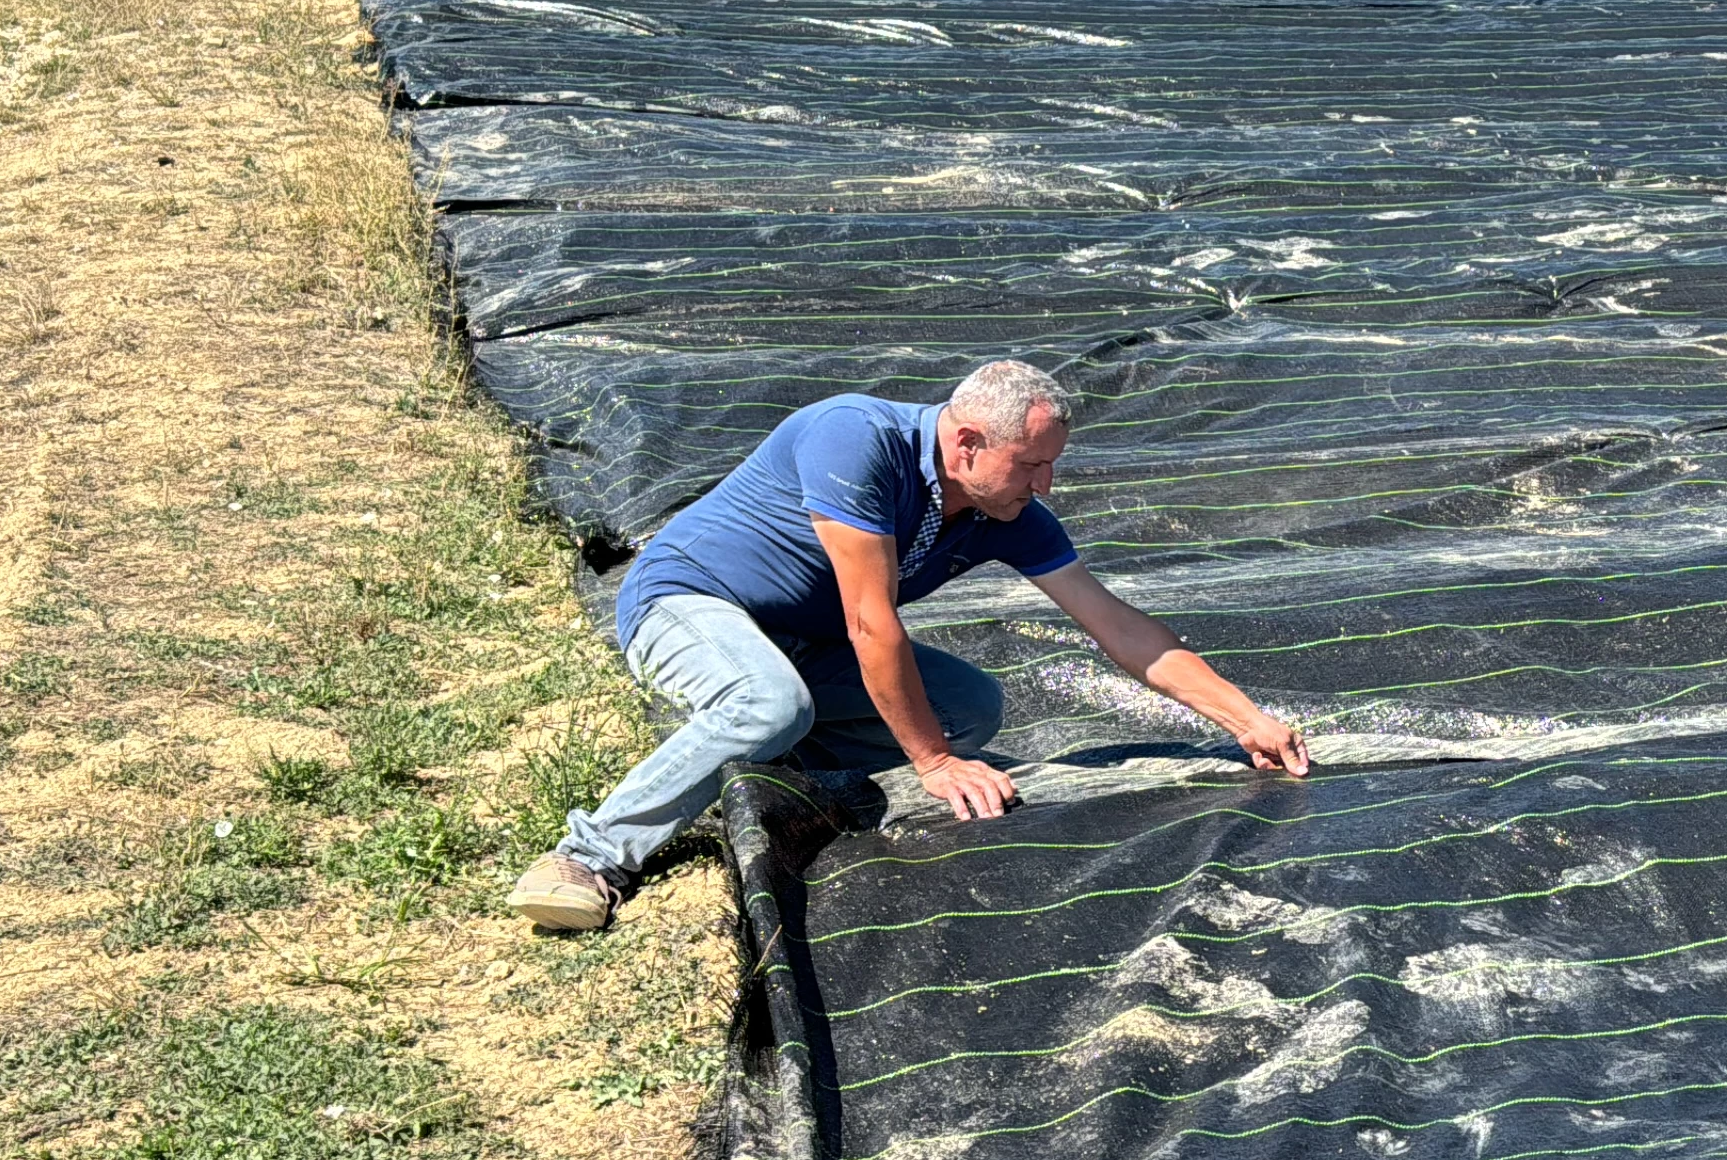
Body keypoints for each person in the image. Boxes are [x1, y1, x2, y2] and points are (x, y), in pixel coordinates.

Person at [508, 359, 1310, 932]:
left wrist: (1246, 720)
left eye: (1051, 467)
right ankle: (589, 855)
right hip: (689, 602)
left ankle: (777, 762)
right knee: (771, 703)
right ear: (965, 444)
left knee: (971, 707)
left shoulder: (1010, 517)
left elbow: (1119, 627)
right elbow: (870, 622)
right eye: (1032, 465)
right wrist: (929, 764)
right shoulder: (853, 437)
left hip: (801, 639)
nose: (1045, 486)